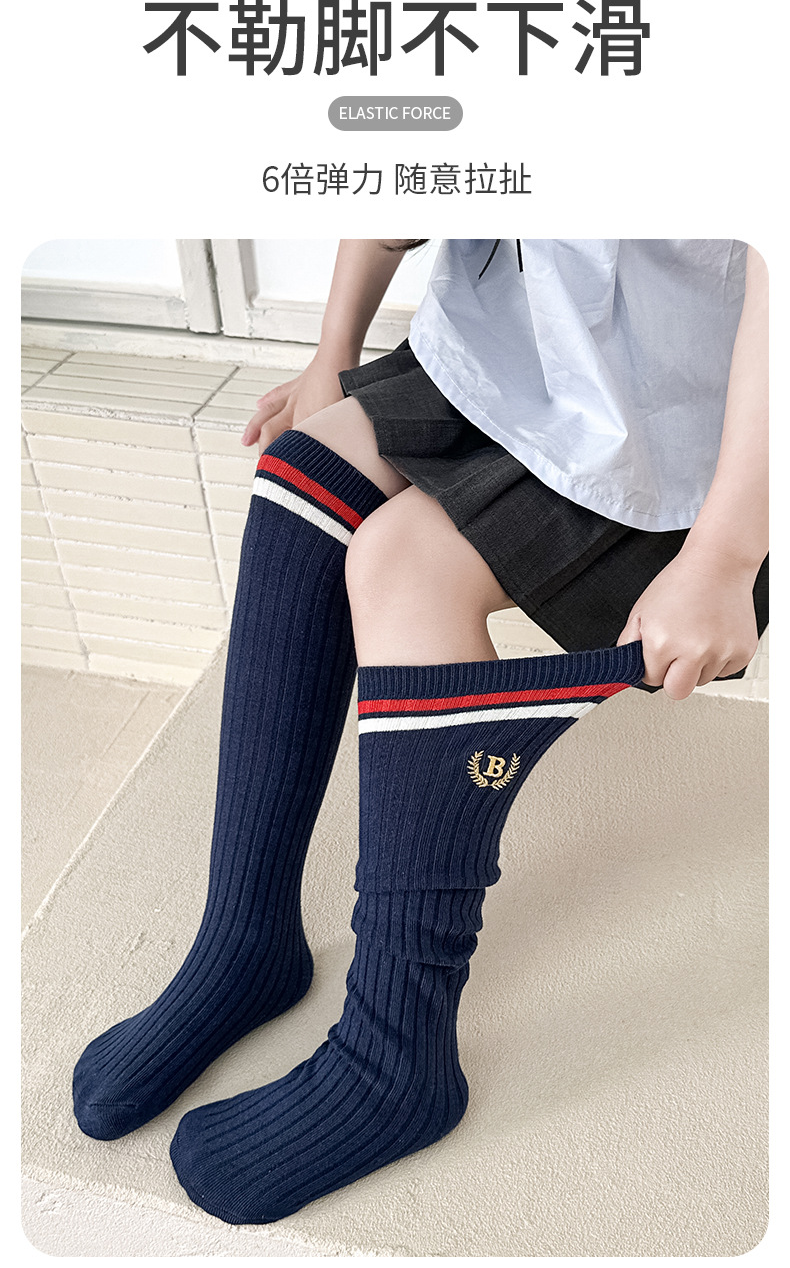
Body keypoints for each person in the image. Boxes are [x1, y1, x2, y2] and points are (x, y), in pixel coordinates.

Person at [72, 239, 768, 1226]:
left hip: (691, 416)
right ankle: (244, 938)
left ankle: (394, 1057)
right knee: (303, 473)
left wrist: (728, 552)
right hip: (517, 338)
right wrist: (334, 348)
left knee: (401, 564)